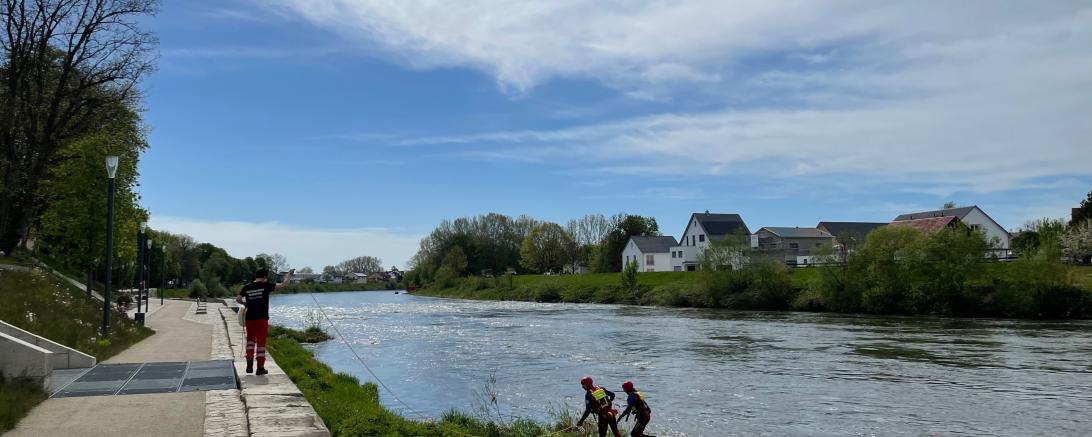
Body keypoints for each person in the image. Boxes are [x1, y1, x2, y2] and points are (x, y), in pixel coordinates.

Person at [236, 268, 293, 375]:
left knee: (250, 341)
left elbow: (238, 299)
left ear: (256, 276)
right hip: (262, 318)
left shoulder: (247, 287)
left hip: (250, 318)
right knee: (261, 343)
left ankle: (249, 362)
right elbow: (283, 285)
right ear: (264, 277)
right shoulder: (266, 285)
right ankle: (260, 368)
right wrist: (289, 275)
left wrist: (246, 304)